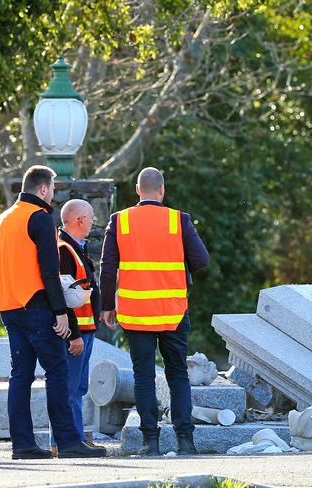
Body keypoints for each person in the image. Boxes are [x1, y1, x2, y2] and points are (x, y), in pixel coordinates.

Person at [0, 165, 105, 460]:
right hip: (37, 306)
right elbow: (49, 270)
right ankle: (68, 442)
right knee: (58, 372)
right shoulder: (40, 218)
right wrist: (61, 312)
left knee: (21, 376)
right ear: (43, 189)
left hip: (9, 306)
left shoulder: (4, 219)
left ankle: (23, 444)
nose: (53, 195)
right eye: (53, 189)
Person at [99, 167, 210, 456]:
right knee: (177, 375)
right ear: (161, 189)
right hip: (173, 311)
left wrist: (107, 306)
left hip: (135, 313)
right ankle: (185, 441)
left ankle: (151, 443)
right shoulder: (178, 220)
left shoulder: (119, 221)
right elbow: (201, 259)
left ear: (138, 190)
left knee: (144, 376)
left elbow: (107, 268)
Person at [49, 199, 106, 456]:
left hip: (85, 330)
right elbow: (63, 296)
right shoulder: (64, 250)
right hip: (76, 333)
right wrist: (73, 335)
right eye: (91, 218)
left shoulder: (74, 248)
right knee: (69, 389)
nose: (93, 223)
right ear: (80, 220)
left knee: (77, 388)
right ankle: (67, 441)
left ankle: (75, 438)